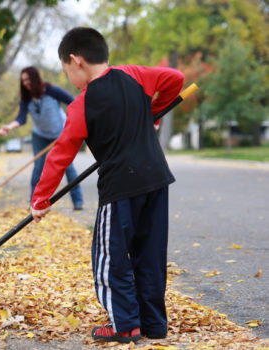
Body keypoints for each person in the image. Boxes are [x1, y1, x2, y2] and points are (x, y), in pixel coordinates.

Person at [30, 27, 184, 344]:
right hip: (156, 180)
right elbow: (175, 79)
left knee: (110, 259)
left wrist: (41, 199)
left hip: (120, 190)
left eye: (65, 69)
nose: (68, 76)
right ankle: (153, 324)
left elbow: (59, 156)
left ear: (76, 61)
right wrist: (153, 112)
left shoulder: (80, 106)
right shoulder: (135, 75)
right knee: (150, 255)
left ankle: (125, 325)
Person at [1, 66, 84, 210]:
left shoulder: (51, 91)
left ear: (35, 78)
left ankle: (78, 202)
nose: (26, 83)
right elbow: (21, 118)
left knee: (68, 167)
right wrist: (10, 126)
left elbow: (73, 102)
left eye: (27, 79)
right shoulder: (26, 99)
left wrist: (74, 121)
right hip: (40, 135)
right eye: (23, 81)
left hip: (59, 133)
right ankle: (35, 203)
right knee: (38, 167)